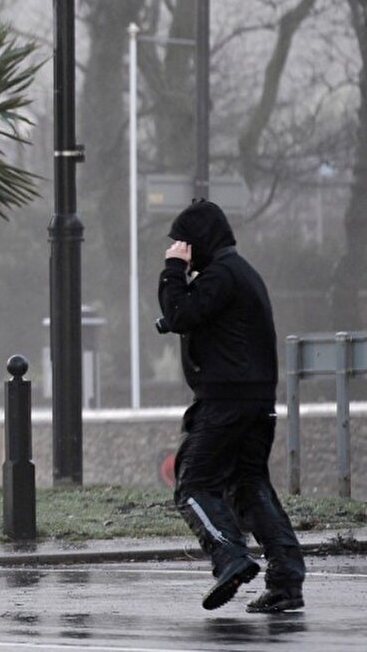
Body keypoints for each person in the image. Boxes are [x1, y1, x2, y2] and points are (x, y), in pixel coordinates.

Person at [157, 199, 305, 612]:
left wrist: (172, 270)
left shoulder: (220, 275)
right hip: (256, 400)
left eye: (184, 243)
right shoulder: (240, 273)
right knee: (249, 486)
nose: (180, 250)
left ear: (199, 240)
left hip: (225, 402)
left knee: (193, 485)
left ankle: (229, 556)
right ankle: (286, 580)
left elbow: (179, 313)